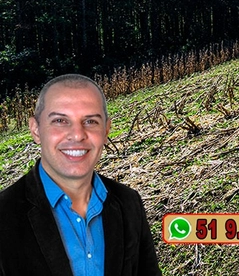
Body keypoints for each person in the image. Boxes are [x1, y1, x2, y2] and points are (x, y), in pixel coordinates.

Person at [0, 74, 161, 276]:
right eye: (60, 120)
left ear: (106, 130)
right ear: (36, 130)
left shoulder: (129, 202)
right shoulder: (4, 214)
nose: (77, 135)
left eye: (90, 121)